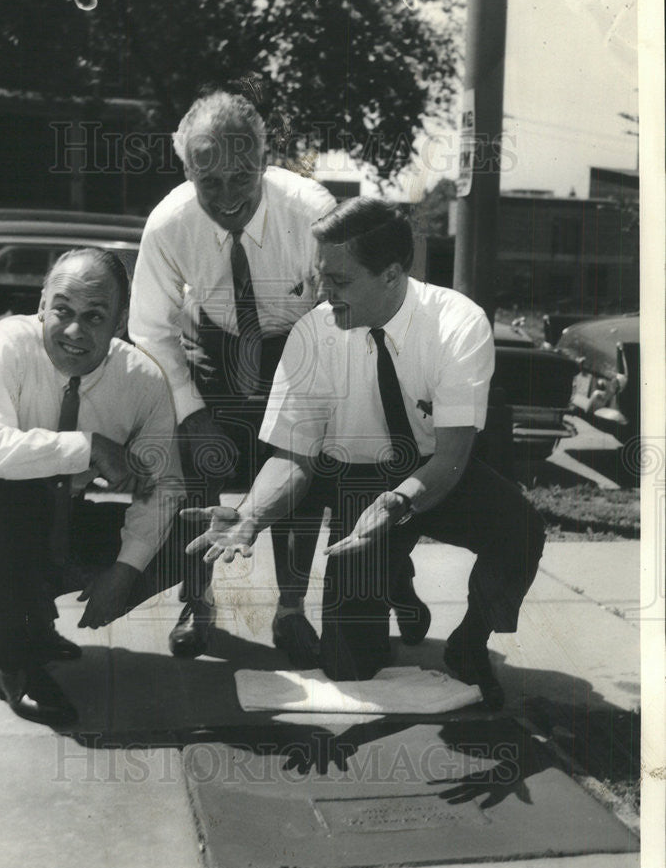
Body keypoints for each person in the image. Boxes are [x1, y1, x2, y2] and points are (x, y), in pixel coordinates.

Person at [184, 198, 546, 710]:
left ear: (393, 275)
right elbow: (293, 456)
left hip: (436, 469)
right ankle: (394, 576)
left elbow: (450, 458)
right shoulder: (313, 333)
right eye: (319, 276)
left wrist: (399, 504)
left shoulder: (459, 323)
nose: (321, 292)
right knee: (350, 667)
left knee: (522, 529)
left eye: (339, 280)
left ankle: (469, 645)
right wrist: (250, 515)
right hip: (359, 480)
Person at [0, 248, 185, 724]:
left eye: (95, 316)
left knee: (190, 531)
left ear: (120, 323)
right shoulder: (7, 342)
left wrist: (125, 571)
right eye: (62, 310)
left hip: (51, 515)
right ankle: (15, 661)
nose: (74, 330)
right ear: (41, 305)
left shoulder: (143, 381)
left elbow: (165, 487)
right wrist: (87, 447)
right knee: (12, 488)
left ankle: (33, 622)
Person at [129, 89, 338, 666]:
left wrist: (305, 405)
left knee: (299, 469)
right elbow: (149, 328)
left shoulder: (312, 212)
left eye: (241, 176)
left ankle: (290, 610)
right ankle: (198, 603)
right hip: (212, 345)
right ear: (187, 170)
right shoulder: (168, 224)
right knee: (197, 468)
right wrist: (191, 413)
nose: (226, 197)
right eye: (208, 181)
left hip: (295, 342)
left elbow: (334, 317)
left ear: (265, 158)